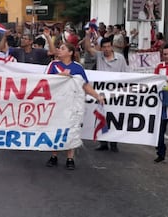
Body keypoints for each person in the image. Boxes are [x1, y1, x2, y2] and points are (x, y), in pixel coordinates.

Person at [45, 42, 104, 170]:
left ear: (70, 52)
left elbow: (85, 85)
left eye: (62, 48)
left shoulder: (77, 67)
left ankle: (70, 158)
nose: (59, 50)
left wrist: (97, 96)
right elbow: (44, 81)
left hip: (71, 104)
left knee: (70, 129)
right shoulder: (53, 65)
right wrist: (60, 76)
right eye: (59, 48)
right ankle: (54, 155)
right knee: (55, 128)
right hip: (56, 103)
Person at [90, 37, 129, 152]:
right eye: (104, 47)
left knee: (114, 117)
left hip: (115, 94)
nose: (106, 49)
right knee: (102, 117)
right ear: (101, 48)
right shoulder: (99, 56)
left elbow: (126, 74)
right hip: (101, 93)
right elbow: (88, 48)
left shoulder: (120, 58)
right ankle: (103, 142)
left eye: (108, 47)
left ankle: (113, 142)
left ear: (112, 47)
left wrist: (124, 90)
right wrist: (88, 34)